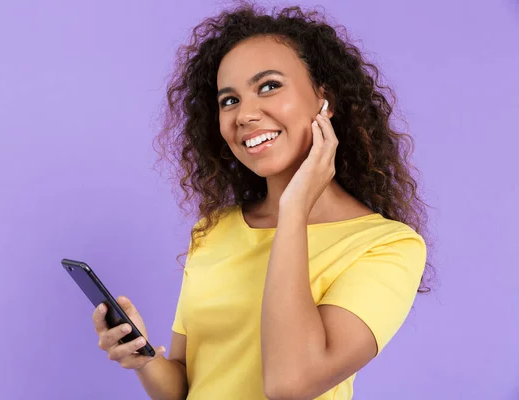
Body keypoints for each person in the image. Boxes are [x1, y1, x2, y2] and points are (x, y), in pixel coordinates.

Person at [92, 3, 433, 399]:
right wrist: (144, 358)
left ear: (325, 101)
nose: (245, 115)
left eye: (269, 86)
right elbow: (186, 386)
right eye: (229, 100)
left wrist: (293, 208)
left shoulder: (387, 246)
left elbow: (290, 384)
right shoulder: (215, 230)